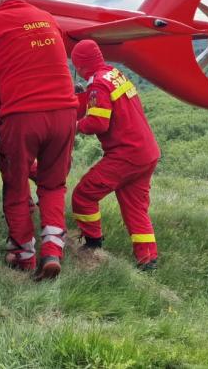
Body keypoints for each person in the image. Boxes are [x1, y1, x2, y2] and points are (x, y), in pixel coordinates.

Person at [0, 0, 77, 280]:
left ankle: (23, 254)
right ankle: (53, 250)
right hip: (65, 111)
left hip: (23, 114)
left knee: (16, 183)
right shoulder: (47, 18)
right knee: (53, 184)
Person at [70, 40, 161, 270]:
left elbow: (98, 123)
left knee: (83, 195)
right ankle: (148, 260)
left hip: (126, 154)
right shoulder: (113, 73)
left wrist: (75, 126)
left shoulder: (98, 84)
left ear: (81, 64)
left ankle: (93, 245)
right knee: (135, 208)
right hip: (146, 152)